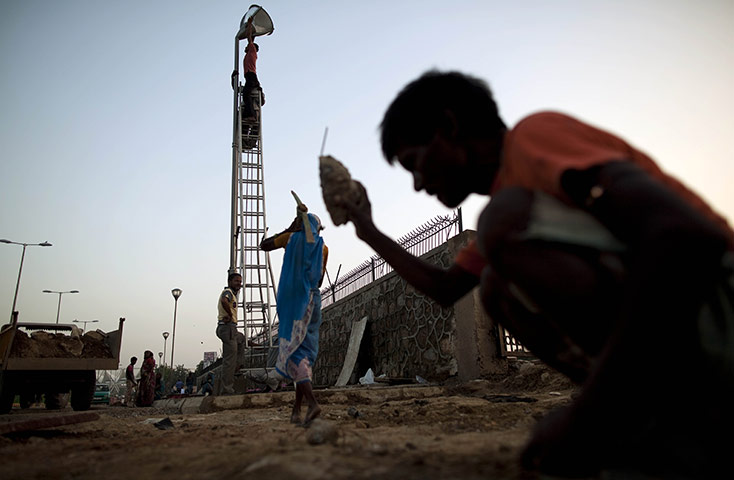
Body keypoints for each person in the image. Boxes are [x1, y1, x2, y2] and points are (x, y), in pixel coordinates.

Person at [338, 70, 734, 477]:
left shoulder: (534, 138)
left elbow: (688, 239)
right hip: (691, 335)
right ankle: (666, 419)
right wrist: (367, 230)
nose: (419, 184)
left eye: (415, 164)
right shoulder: (514, 205)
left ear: (449, 128)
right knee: (494, 288)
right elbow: (446, 287)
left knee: (500, 224)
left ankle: (638, 415)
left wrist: (586, 416)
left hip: (716, 301)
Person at [260, 205, 329, 425]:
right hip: (314, 302)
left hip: (295, 306)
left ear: (300, 225)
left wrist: (290, 227)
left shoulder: (289, 239)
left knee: (294, 354)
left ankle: (312, 403)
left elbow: (264, 245)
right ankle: (296, 410)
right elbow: (318, 281)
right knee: (303, 354)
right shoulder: (323, 248)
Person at [217, 272, 246, 394]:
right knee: (229, 360)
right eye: (236, 281)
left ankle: (238, 365)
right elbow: (224, 301)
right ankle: (227, 389)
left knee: (241, 339)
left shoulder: (233, 294)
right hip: (227, 327)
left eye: (240, 281)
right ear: (229, 282)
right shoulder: (227, 292)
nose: (239, 284)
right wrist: (229, 315)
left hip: (232, 329)